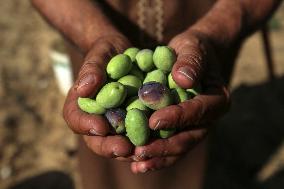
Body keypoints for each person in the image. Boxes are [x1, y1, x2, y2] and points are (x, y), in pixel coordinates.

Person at [31, 0, 282, 188]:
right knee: (104, 163)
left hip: (204, 25)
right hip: (92, 22)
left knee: (187, 147)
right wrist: (94, 34)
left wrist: (216, 31)